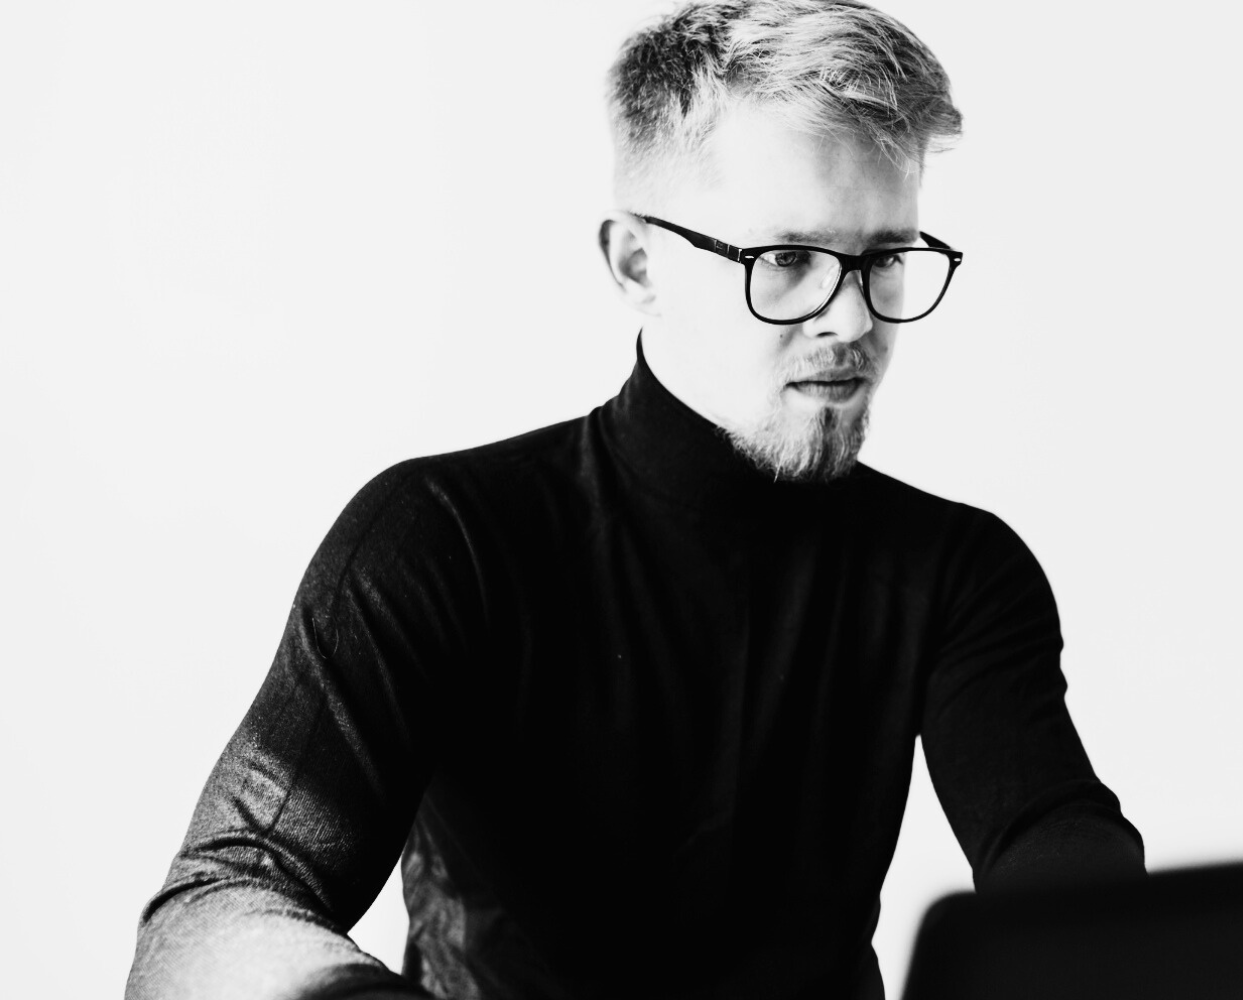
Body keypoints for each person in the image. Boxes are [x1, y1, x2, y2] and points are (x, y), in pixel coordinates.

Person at [125, 2, 1144, 998]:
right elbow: (216, 909)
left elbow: (1058, 854)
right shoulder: (437, 539)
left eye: (883, 259)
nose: (851, 319)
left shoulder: (958, 571)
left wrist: (1111, 949)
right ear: (637, 263)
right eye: (788, 259)